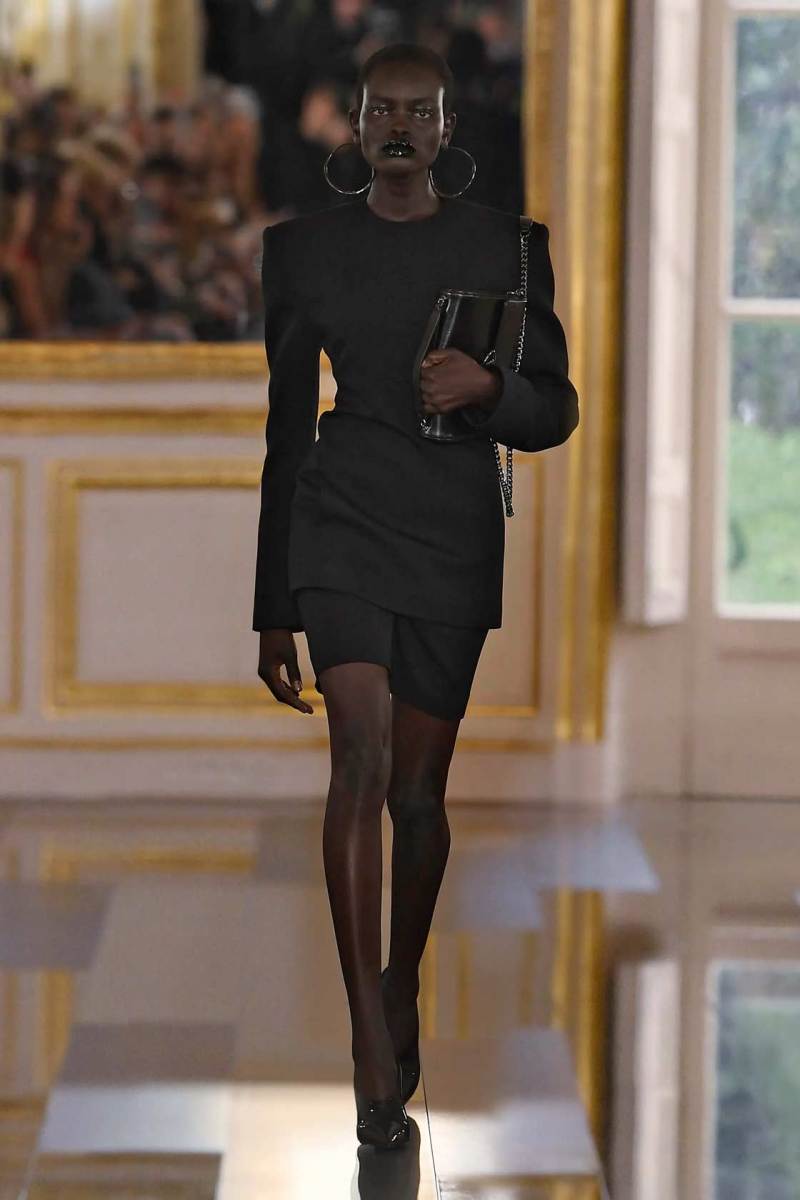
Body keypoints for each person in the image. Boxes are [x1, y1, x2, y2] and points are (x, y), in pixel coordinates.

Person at [252, 41, 579, 1150]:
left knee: (419, 798)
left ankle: (402, 983)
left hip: (450, 530)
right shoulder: (301, 253)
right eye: (379, 110)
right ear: (354, 124)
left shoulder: (507, 248)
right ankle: (366, 1039)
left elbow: (556, 409)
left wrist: (489, 386)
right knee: (358, 755)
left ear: (446, 129)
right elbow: (285, 433)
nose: (398, 127)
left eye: (418, 111)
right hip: (339, 520)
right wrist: (273, 602)